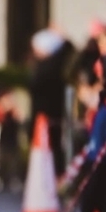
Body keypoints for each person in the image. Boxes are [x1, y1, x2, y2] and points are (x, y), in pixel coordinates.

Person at [28, 28, 75, 177]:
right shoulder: (52, 64)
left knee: (51, 148)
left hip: (47, 114)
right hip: (47, 114)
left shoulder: (49, 67)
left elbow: (36, 86)